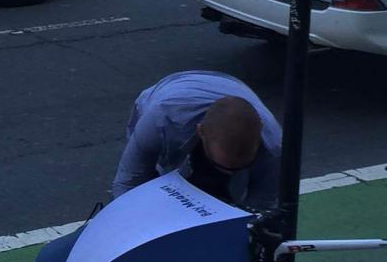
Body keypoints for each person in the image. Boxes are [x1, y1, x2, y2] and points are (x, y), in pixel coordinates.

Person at [111, 70, 281, 209]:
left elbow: (263, 203)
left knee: (232, 190)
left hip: (230, 85)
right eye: (222, 166)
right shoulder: (160, 120)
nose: (229, 173)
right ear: (200, 132)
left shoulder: (274, 144)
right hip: (172, 90)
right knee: (155, 190)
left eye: (240, 166)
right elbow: (129, 183)